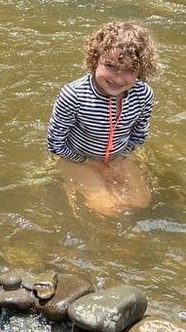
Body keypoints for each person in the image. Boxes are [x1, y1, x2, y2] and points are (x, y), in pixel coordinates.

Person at [47, 20, 160, 215]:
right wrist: (89, 164)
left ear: (140, 71)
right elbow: (55, 143)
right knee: (106, 209)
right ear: (94, 59)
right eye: (110, 65)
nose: (118, 78)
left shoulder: (143, 94)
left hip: (117, 157)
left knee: (141, 203)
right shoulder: (74, 95)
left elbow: (139, 134)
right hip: (76, 159)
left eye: (129, 70)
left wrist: (119, 160)